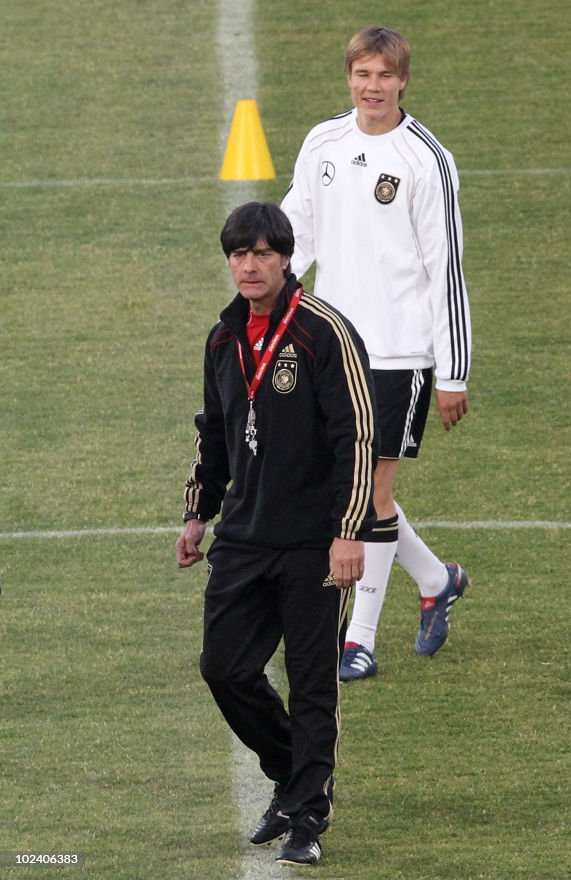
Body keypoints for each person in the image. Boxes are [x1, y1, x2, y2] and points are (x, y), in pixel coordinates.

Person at [175, 202, 377, 865]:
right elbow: (216, 435)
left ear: (286, 259)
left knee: (311, 679)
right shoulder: (222, 339)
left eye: (263, 253)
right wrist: (196, 510)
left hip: (316, 543)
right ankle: (296, 777)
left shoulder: (324, 333)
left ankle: (307, 820)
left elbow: (356, 437)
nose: (250, 265)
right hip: (243, 538)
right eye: (239, 254)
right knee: (223, 667)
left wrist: (349, 533)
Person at [281, 25, 472, 682]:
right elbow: (297, 229)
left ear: (403, 81)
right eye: (362, 74)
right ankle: (436, 578)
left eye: (384, 76)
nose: (373, 87)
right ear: (350, 77)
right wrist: (271, 303)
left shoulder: (426, 160)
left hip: (399, 351)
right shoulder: (322, 142)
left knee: (366, 496)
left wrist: (453, 372)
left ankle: (357, 640)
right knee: (353, 490)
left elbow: (446, 270)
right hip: (330, 346)